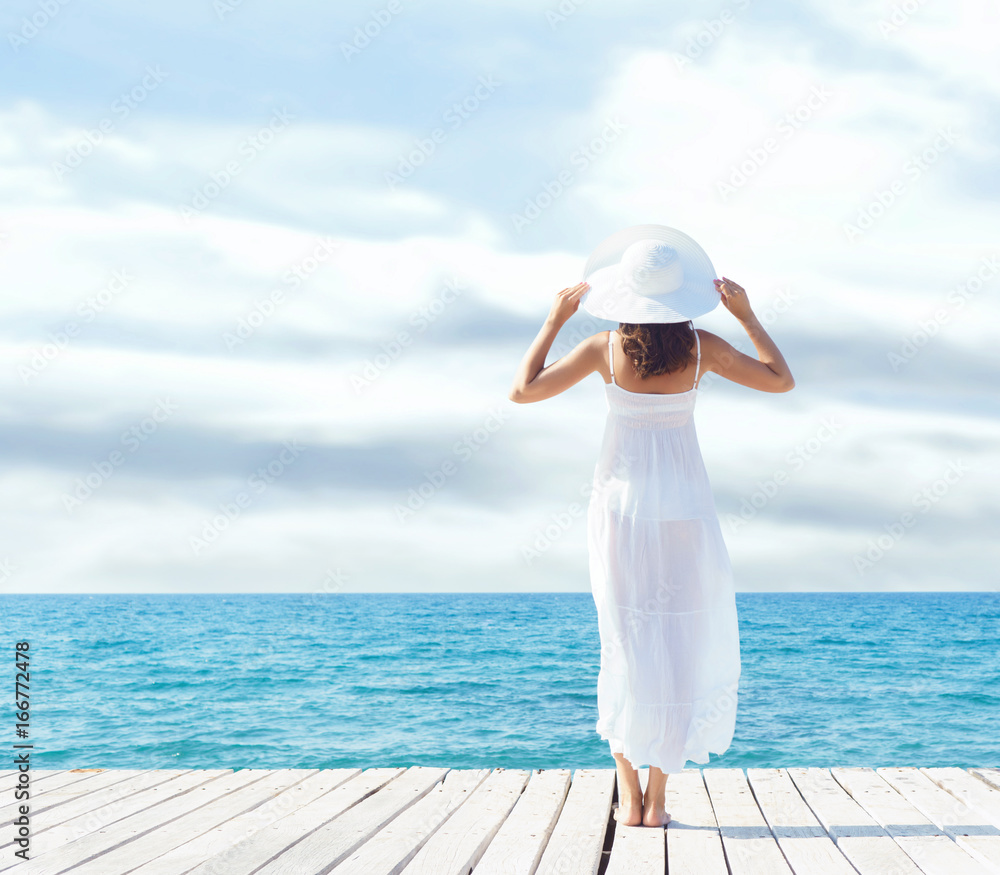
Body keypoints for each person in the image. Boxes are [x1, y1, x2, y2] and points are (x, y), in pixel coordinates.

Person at [508, 226, 794, 828]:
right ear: (683, 294)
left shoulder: (602, 349)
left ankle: (629, 795)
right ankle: (659, 802)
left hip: (620, 512)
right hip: (685, 511)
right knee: (678, 646)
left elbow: (522, 391)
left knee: (625, 643)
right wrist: (747, 314)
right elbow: (779, 379)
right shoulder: (703, 348)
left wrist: (555, 320)